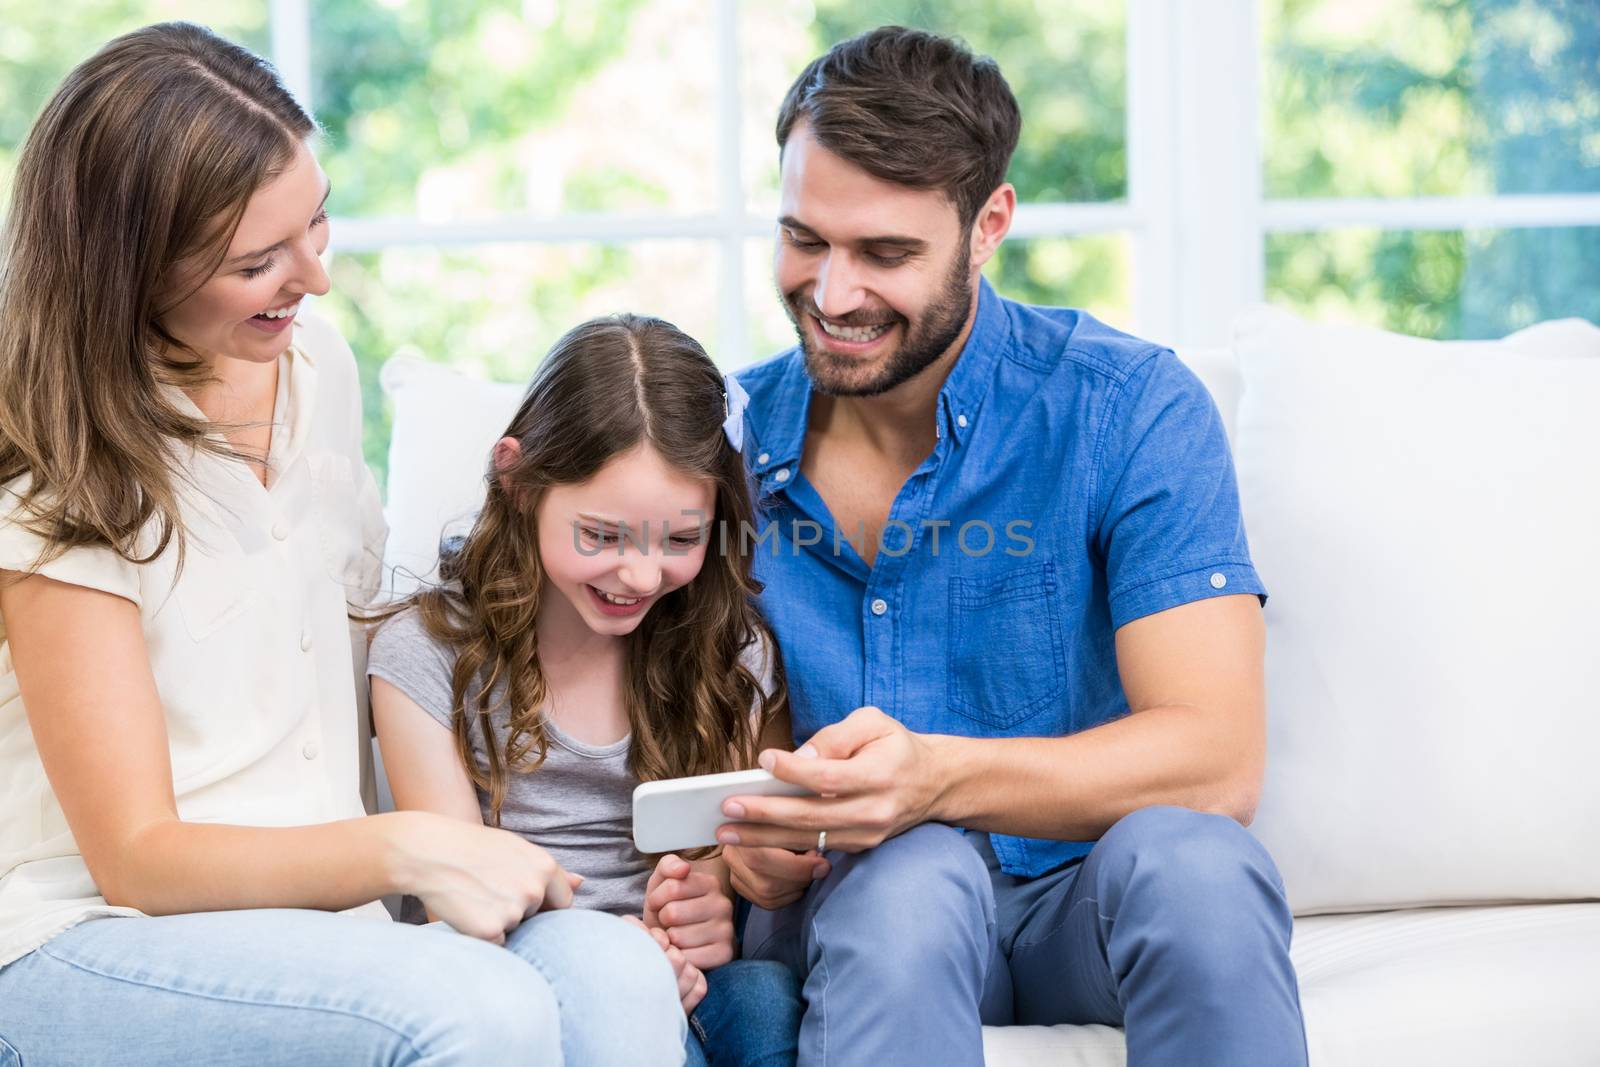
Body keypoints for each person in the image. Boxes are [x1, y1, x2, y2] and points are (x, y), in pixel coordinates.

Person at [0, 23, 683, 1065]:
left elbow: (372, 636)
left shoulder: (314, 363)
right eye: (257, 261)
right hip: (91, 931)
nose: (313, 278)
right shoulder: (58, 475)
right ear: (128, 272)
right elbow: (134, 858)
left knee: (615, 970)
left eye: (316, 222)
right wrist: (407, 845)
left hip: (328, 924)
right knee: (476, 1010)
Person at [717, 26, 1309, 1067]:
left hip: (1090, 905)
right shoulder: (720, 444)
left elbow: (1216, 758)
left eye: (886, 253)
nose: (834, 292)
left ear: (989, 223)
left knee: (1195, 859)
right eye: (805, 238)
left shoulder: (1126, 408)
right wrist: (745, 853)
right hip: (868, 911)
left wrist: (936, 775)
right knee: (909, 877)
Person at [368, 314, 802, 1067]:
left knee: (765, 997)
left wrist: (704, 904)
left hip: (685, 994)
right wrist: (616, 952)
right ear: (518, 478)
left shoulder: (730, 652)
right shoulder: (427, 653)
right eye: (601, 536)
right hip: (512, 970)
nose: (640, 576)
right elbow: (452, 889)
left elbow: (711, 861)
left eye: (679, 540)